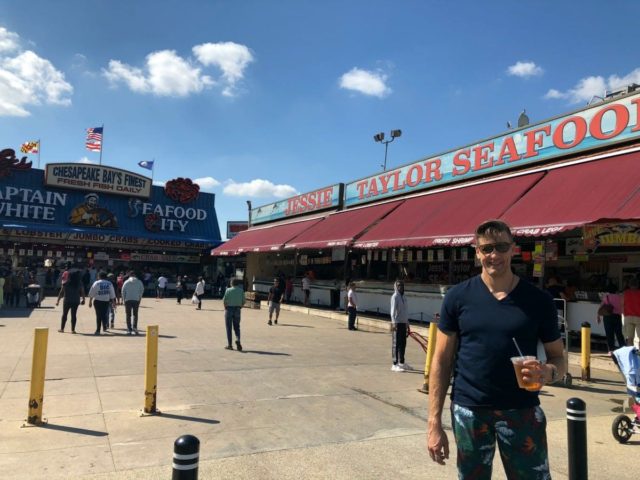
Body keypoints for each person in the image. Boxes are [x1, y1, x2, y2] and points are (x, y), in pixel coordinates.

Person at [427, 219, 565, 479]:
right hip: (470, 412)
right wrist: (434, 422)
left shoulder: (539, 301)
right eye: (487, 248)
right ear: (477, 252)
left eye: (501, 247)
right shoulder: (457, 297)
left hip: (522, 411)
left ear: (513, 249)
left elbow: (559, 358)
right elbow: (441, 361)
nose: (494, 255)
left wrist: (547, 373)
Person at [390, 280, 411, 372]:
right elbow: (392, 311)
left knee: (403, 343)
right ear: (395, 287)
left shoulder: (404, 297)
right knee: (396, 344)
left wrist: (407, 322)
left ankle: (401, 362)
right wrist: (393, 323)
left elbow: (405, 311)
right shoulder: (395, 297)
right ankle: (394, 364)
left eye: (402, 285)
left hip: (403, 323)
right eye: (398, 285)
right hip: (397, 323)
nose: (401, 287)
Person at [598, 284, 625, 355]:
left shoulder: (606, 297)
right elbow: (623, 306)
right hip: (617, 317)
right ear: (616, 290)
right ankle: (623, 348)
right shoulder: (620, 297)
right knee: (619, 333)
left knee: (609, 334)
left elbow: (601, 306)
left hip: (607, 317)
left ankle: (611, 350)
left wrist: (598, 316)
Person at [222, 278, 245, 350]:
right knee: (237, 327)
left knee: (229, 327)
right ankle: (238, 339)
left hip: (229, 309)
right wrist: (240, 307)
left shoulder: (228, 290)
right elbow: (243, 301)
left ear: (231, 283)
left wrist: (225, 308)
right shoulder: (241, 290)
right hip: (237, 309)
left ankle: (230, 345)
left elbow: (224, 301)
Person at [622, 277, 640, 346]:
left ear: (629, 285)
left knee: (629, 338)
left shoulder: (625, 293)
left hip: (628, 317)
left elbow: (622, 305)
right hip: (639, 317)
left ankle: (631, 354)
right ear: (638, 285)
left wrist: (624, 315)